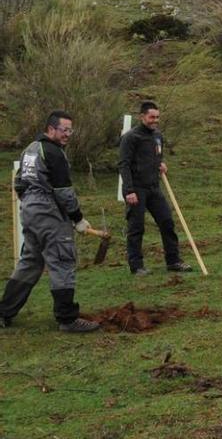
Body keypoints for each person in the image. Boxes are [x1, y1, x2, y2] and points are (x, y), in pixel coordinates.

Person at [0, 111, 100, 332]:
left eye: (70, 130)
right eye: (64, 130)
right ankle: (67, 319)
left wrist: (30, 204)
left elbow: (19, 183)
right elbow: (64, 192)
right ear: (51, 129)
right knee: (62, 260)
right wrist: (78, 218)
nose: (68, 135)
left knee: (30, 262)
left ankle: (4, 312)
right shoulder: (53, 152)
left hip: (29, 211)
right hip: (49, 212)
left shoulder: (30, 149)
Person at [119, 101, 192, 276]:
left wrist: (161, 164)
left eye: (157, 117)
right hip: (136, 189)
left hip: (154, 187)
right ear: (142, 116)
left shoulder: (157, 136)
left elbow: (157, 156)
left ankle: (173, 261)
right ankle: (136, 266)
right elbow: (124, 164)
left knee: (167, 222)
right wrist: (129, 191)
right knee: (136, 227)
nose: (155, 120)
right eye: (152, 117)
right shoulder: (130, 137)